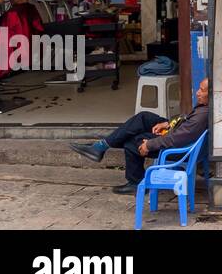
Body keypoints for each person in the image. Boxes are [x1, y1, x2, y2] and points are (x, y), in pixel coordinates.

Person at [69, 78, 209, 194]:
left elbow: (177, 139)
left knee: (132, 141)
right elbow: (185, 122)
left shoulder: (202, 116)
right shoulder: (205, 107)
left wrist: (149, 144)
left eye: (202, 90)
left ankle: (134, 182)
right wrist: (168, 124)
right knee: (143, 117)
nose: (197, 92)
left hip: (179, 149)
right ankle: (101, 147)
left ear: (212, 93)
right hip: (175, 132)